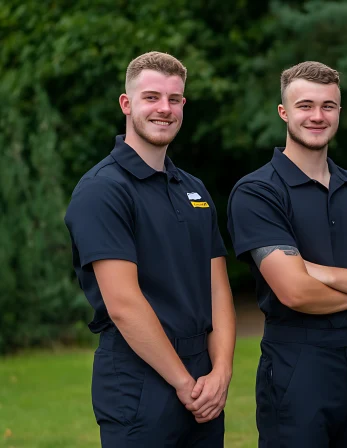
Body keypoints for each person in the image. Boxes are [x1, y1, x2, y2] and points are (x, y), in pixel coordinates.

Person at [227, 61, 347, 448]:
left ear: (339, 112)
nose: (317, 116)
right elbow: (295, 293)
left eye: (328, 106)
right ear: (284, 112)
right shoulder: (258, 191)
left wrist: (318, 272)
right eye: (305, 105)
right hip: (297, 364)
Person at [64, 51, 236, 447]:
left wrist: (221, 371)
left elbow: (218, 289)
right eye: (151, 97)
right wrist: (182, 382)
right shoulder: (102, 190)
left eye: (174, 99)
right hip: (137, 378)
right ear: (127, 104)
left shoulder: (193, 189)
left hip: (202, 377)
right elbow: (123, 304)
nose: (164, 109)